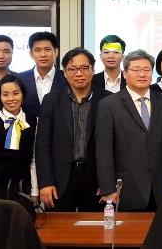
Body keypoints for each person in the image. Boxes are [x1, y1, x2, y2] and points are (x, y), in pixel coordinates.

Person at [95, 50, 162, 211]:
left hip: (160, 187)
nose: (142, 74)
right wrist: (107, 188)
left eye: (147, 70)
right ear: (125, 73)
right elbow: (103, 150)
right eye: (136, 70)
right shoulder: (109, 105)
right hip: (125, 188)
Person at [35, 48, 110, 212]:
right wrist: (45, 182)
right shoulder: (51, 100)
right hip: (59, 179)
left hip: (96, 180)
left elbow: (114, 146)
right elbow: (42, 145)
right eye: (72, 69)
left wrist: (109, 183)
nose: (79, 73)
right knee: (59, 226)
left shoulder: (108, 99)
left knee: (95, 227)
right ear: (64, 73)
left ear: (93, 69)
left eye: (84, 68)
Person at [17, 31, 67, 117]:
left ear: (56, 52)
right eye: (37, 50)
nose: (43, 54)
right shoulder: (19, 79)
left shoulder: (66, 78)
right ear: (31, 54)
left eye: (47, 49)